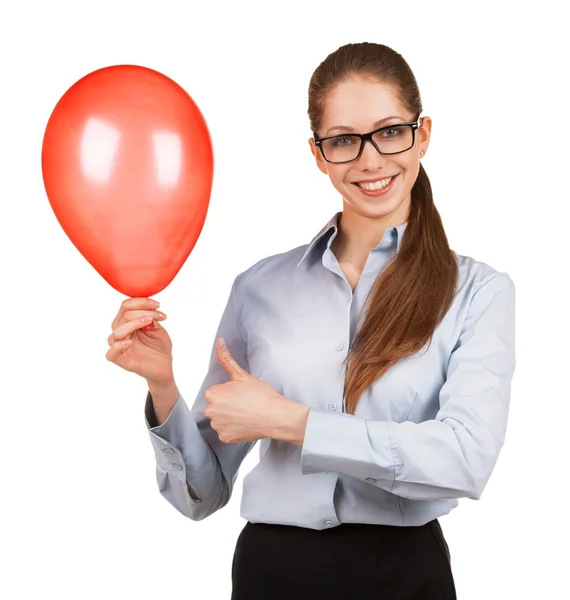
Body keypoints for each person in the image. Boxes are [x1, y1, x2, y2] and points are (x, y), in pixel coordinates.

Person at [106, 42, 516, 599]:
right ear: (318, 154)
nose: (370, 161)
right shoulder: (260, 288)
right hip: (272, 571)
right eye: (344, 140)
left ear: (422, 135)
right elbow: (199, 495)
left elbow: (465, 461)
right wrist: (162, 384)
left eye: (390, 131)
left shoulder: (477, 291)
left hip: (403, 573)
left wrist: (290, 422)